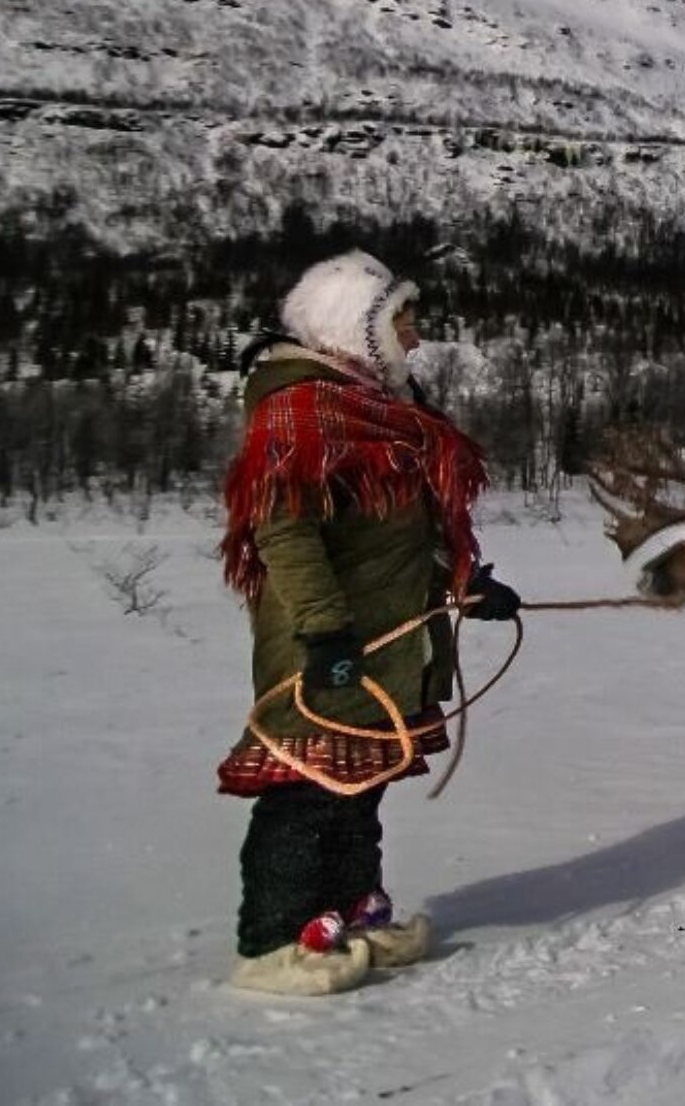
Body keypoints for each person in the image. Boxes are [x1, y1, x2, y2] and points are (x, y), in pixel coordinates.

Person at [214, 250, 519, 996]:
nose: (415, 337)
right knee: (306, 790)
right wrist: (324, 633)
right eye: (401, 322)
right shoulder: (299, 410)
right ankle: (272, 943)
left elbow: (417, 527)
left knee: (360, 787)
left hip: (391, 640)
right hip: (328, 645)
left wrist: (467, 584)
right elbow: (284, 531)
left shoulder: (390, 409)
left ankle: (348, 914)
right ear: (354, 328)